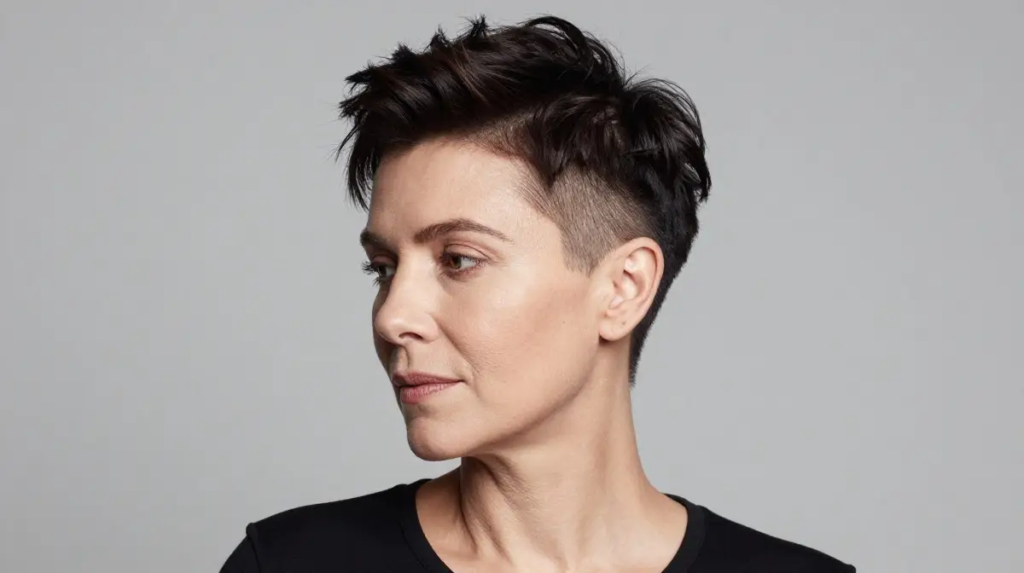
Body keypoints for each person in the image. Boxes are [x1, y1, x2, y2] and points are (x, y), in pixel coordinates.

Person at [219, 14, 855, 573]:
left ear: (623, 288)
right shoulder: (290, 563)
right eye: (383, 268)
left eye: (459, 260)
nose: (392, 318)